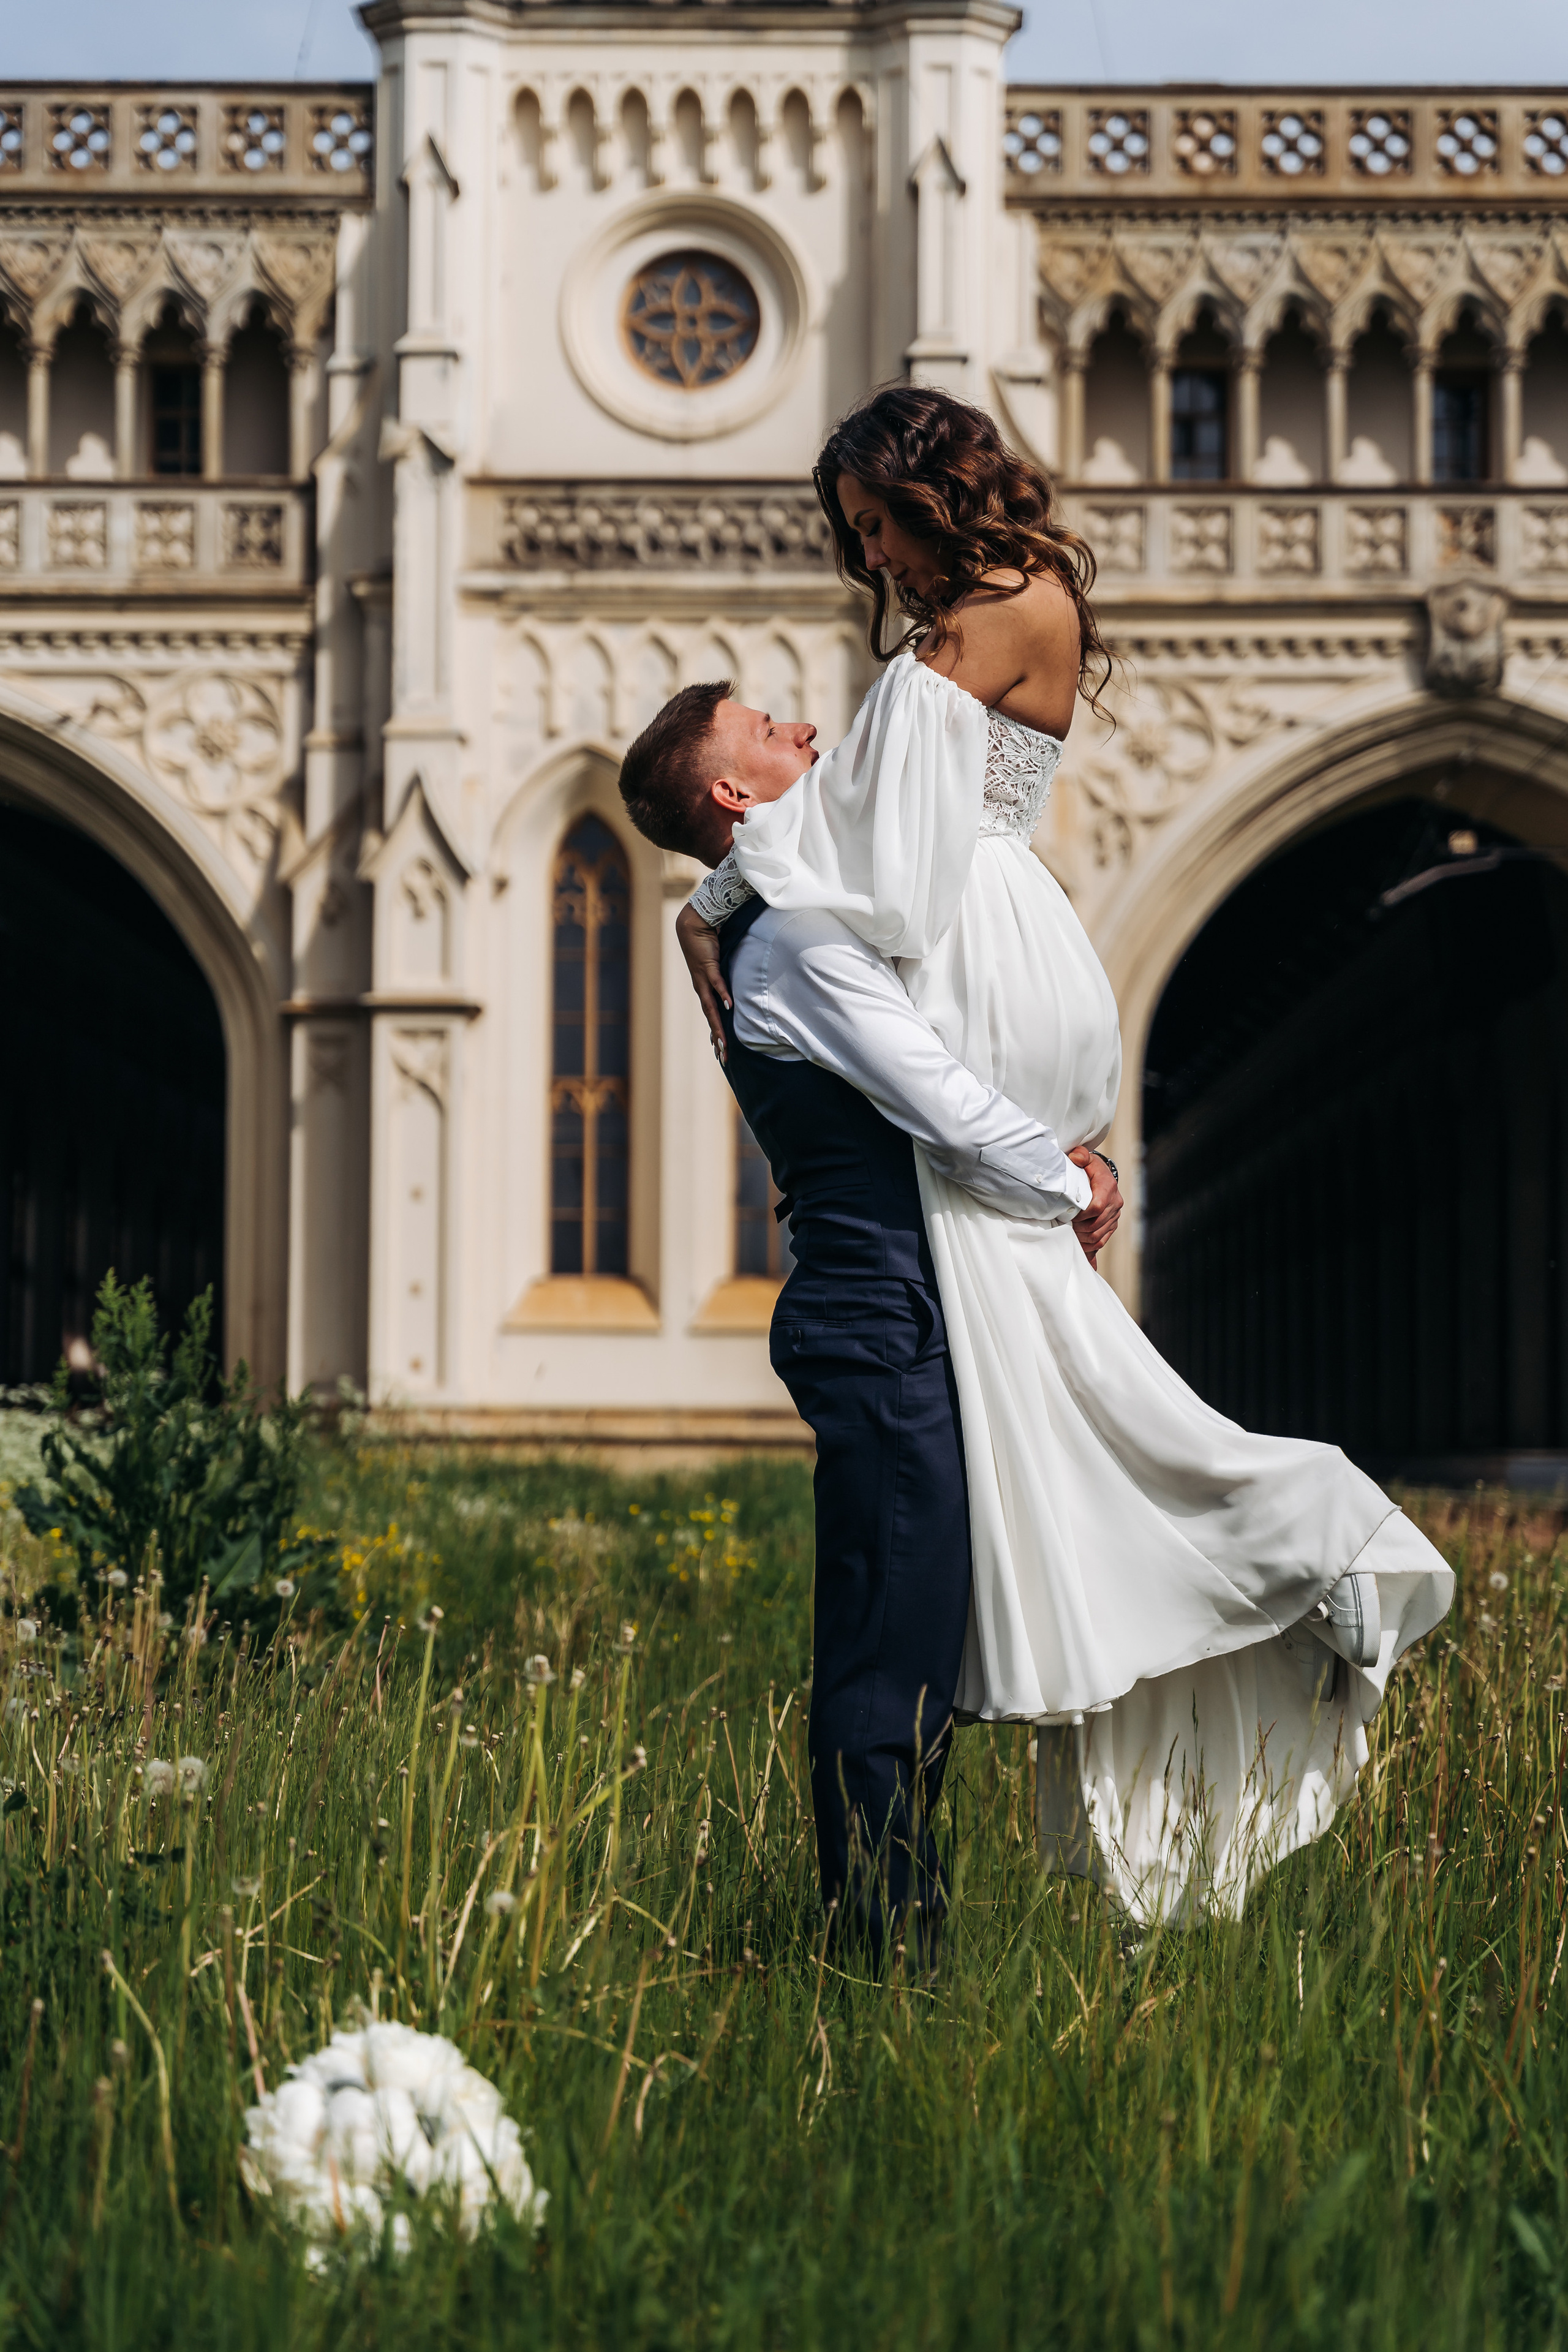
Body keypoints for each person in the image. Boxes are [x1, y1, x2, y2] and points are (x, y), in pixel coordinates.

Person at [658, 385, 1454, 1925]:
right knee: (1046, 1380)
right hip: (996, 953)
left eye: (875, 524)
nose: (872, 560)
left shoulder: (986, 617)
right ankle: (1221, 1567)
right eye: (856, 540)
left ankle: (1293, 1538)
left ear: (924, 486)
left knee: (1052, 1376)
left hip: (961, 950)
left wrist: (724, 894)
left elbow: (887, 886)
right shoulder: (996, 610)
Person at [616, 683, 1121, 1956]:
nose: (802, 728)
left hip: (899, 1307)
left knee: (916, 1641)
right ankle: (884, 1948)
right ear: (733, 793)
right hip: (876, 1318)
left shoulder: (782, 923)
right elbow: (936, 1097)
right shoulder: (794, 948)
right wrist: (1071, 1184)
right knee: (886, 1652)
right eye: (764, 729)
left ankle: (897, 1922)